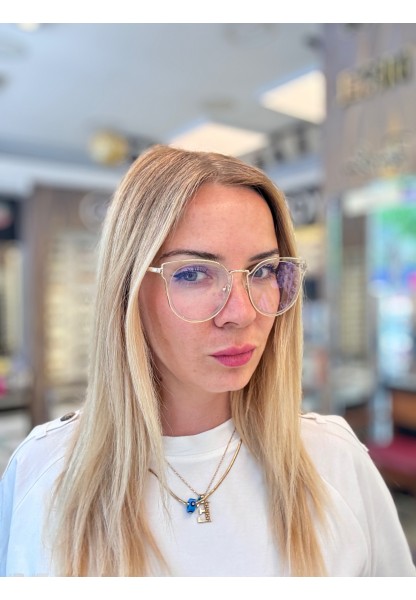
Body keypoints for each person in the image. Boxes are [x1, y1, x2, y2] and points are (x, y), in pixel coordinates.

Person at [0, 145, 415, 577]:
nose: (242, 312)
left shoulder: (334, 460)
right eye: (193, 273)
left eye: (263, 271)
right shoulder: (42, 474)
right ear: (127, 290)